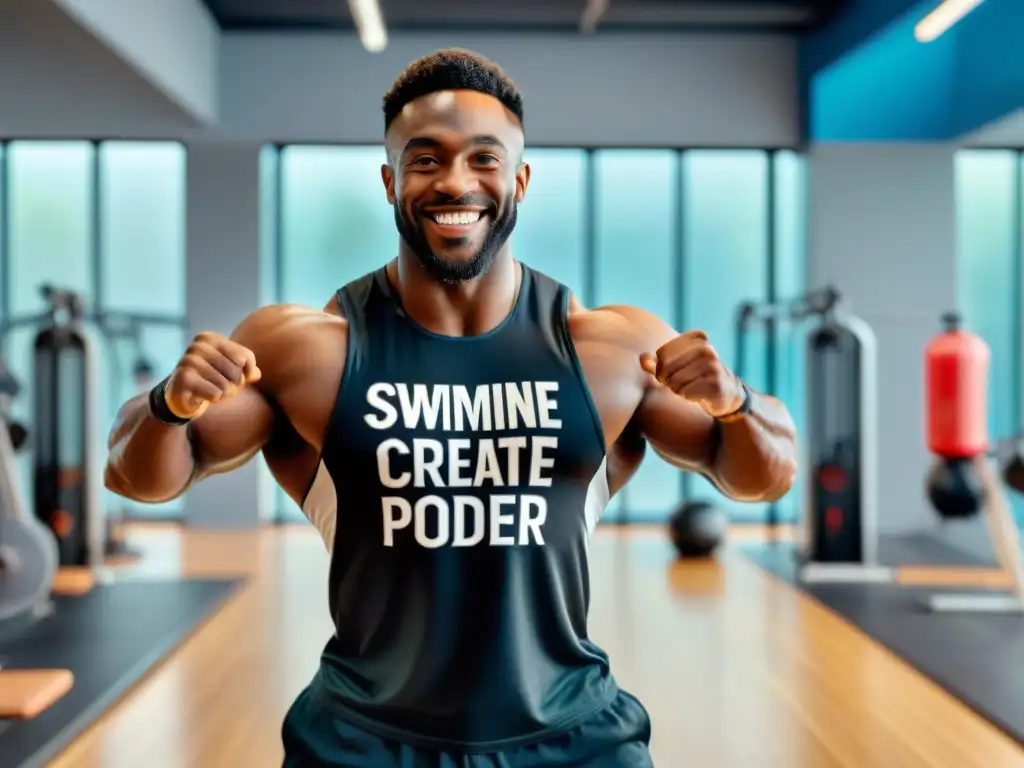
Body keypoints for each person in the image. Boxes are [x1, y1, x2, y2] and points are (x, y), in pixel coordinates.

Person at [105, 48, 798, 768]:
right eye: (426, 159)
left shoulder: (609, 349)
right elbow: (140, 477)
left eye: (484, 159)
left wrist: (736, 404)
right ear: (390, 181)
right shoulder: (306, 351)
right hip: (361, 743)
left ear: (520, 179)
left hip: (575, 739)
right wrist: (169, 405)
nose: (455, 182)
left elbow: (762, 476)